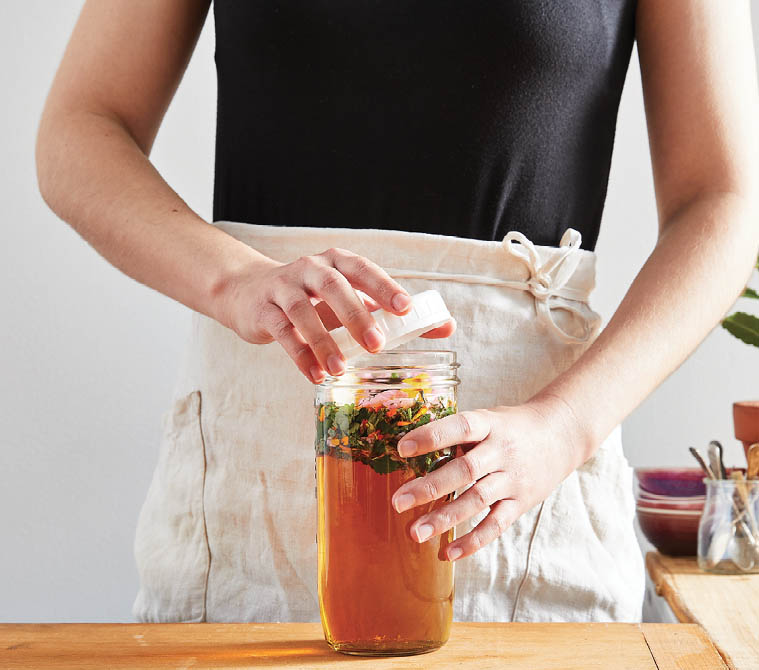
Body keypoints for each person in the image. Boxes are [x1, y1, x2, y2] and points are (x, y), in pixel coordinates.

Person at [37, 1, 759, 623]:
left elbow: (723, 202)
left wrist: (564, 428)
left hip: (523, 468)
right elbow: (82, 128)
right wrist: (232, 280)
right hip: (253, 469)